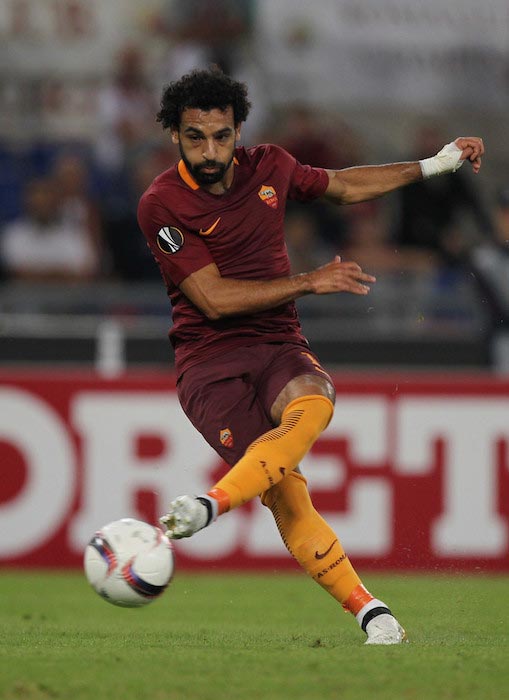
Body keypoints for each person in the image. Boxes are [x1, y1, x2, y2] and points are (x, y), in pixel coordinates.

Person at [137, 68, 484, 645]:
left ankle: (210, 504)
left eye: (220, 136)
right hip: (209, 363)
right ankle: (370, 610)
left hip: (276, 340)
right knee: (285, 491)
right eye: (195, 137)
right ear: (175, 135)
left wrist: (433, 165)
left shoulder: (270, 165)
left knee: (316, 401)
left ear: (238, 131)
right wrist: (310, 282)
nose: (209, 150)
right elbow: (214, 299)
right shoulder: (162, 204)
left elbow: (345, 185)